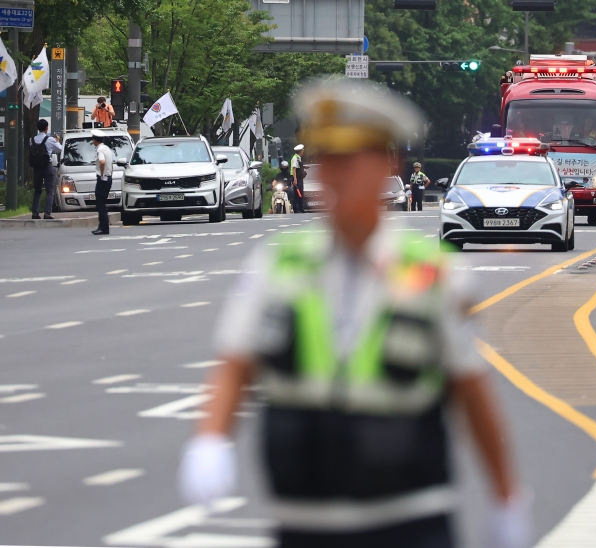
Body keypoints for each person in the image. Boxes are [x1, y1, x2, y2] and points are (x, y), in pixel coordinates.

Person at [178, 78, 531, 548]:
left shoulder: (431, 273)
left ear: (389, 163)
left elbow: (470, 390)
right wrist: (210, 440)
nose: (332, 175)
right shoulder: (278, 263)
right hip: (304, 523)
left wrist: (506, 498)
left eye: (348, 160)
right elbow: (236, 364)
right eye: (325, 161)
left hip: (409, 521)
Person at [29, 119, 63, 220]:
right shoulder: (49, 139)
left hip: (36, 167)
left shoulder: (31, 140)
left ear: (37, 128)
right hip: (47, 166)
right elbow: (59, 149)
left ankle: (35, 212)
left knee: (37, 190)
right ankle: (47, 213)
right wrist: (57, 141)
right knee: (50, 190)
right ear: (46, 128)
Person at [91, 129, 114, 235]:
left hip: (103, 178)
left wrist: (101, 173)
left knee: (100, 204)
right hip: (109, 178)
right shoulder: (107, 149)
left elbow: (102, 161)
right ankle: (102, 226)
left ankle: (104, 227)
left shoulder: (100, 150)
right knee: (102, 203)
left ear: (95, 140)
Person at [291, 144, 305, 213]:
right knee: (297, 193)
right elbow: (294, 169)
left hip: (299, 177)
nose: (303, 152)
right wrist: (295, 179)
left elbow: (298, 167)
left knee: (300, 192)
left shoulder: (298, 158)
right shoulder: (295, 158)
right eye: (302, 150)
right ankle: (296, 209)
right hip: (297, 178)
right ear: (300, 151)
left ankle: (301, 208)